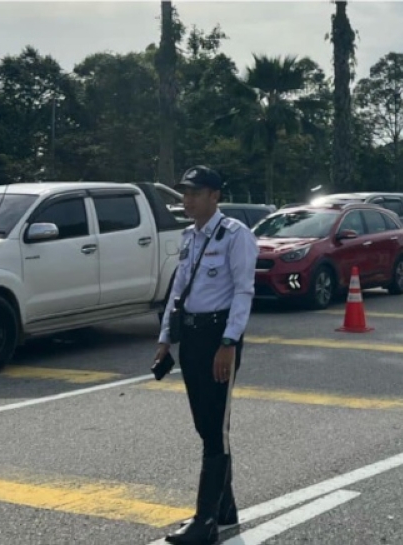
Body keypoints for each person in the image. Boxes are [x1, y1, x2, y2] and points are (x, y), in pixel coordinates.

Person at [154, 165, 259, 545]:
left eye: (195, 193)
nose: (187, 199)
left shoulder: (236, 236)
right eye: (185, 192)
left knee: (216, 427)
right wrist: (166, 338)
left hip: (219, 337)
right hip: (193, 337)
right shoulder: (189, 237)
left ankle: (206, 522)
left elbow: (244, 292)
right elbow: (178, 290)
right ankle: (224, 506)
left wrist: (229, 343)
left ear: (215, 196)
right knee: (204, 424)